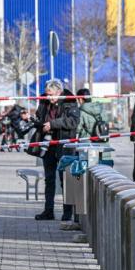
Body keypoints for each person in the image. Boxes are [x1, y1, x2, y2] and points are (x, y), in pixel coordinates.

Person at [33, 79, 80, 221]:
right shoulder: (43, 102)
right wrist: (38, 123)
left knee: (65, 180)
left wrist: (52, 124)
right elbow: (39, 116)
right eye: (47, 94)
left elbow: (73, 122)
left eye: (51, 94)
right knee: (49, 179)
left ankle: (67, 213)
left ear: (59, 92)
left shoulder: (70, 100)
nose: (48, 97)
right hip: (48, 146)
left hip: (64, 145)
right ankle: (48, 211)